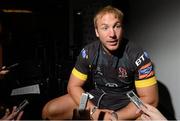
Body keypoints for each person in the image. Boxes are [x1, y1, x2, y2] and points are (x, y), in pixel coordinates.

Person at [42, 5, 159, 120]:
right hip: (96, 96)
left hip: (126, 100)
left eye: (117, 26)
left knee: (147, 119)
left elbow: (150, 99)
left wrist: (114, 117)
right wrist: (93, 111)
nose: (112, 34)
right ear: (97, 32)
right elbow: (73, 86)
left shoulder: (137, 54)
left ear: (122, 28)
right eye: (105, 28)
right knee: (49, 111)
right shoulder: (88, 52)